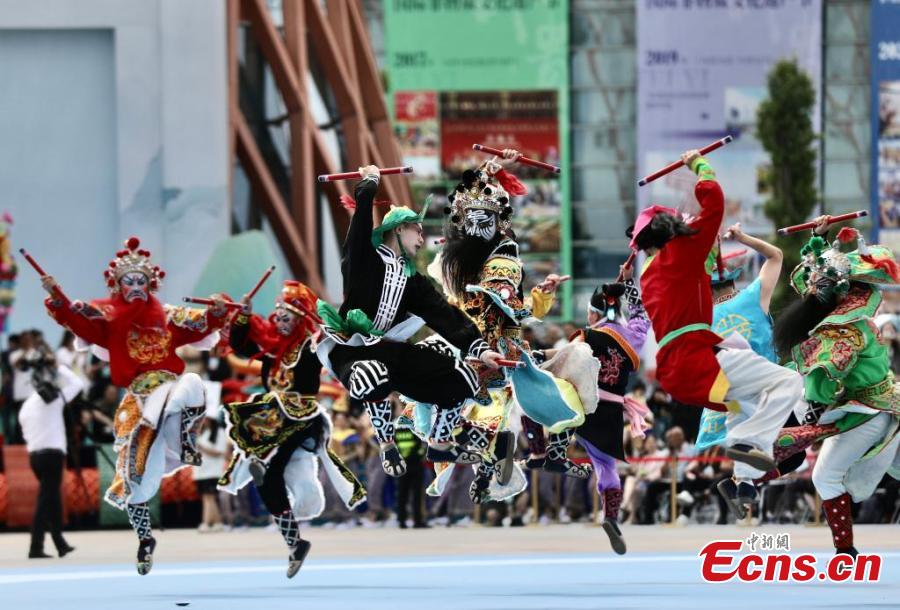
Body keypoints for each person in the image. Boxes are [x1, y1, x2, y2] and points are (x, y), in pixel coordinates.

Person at [41, 236, 229, 575]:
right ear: (118, 285)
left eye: (141, 280)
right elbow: (77, 320)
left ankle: (186, 439)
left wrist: (217, 309)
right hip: (137, 402)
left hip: (170, 390)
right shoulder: (110, 321)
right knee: (133, 478)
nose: (136, 286)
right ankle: (144, 540)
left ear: (150, 283)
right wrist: (57, 296)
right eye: (129, 281)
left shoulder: (169, 316)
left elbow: (203, 321)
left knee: (192, 384)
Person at [316, 165, 503, 480]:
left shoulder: (412, 279)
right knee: (370, 375)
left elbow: (442, 313)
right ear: (398, 229)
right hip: (354, 351)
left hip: (393, 352)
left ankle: (440, 443)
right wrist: (369, 183)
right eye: (417, 230)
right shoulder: (365, 259)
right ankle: (387, 443)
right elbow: (360, 226)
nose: (422, 237)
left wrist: (480, 349)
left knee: (464, 376)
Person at [629, 150, 806, 480]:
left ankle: (743, 478)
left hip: (676, 371)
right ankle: (748, 442)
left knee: (746, 399)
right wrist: (699, 165)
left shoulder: (649, 276)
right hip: (697, 358)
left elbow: (703, 266)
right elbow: (714, 206)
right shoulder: (680, 253)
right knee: (789, 382)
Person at [438, 149, 593, 503]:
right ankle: (516, 460)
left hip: (488, 347)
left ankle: (525, 458)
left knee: (525, 399)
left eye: (485, 217)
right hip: (485, 347)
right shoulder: (478, 257)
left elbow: (514, 308)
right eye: (472, 217)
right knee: (516, 400)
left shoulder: (496, 256)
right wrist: (494, 168)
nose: (478, 223)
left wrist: (540, 296)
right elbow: (511, 310)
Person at [220, 280, 365, 578]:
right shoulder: (271, 348)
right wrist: (243, 316)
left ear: (299, 319)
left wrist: (332, 334)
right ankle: (295, 543)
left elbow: (339, 353)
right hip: (272, 416)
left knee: (268, 465)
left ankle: (261, 459)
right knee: (267, 481)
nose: (280, 322)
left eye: (287, 317)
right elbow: (241, 346)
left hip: (301, 418)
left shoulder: (311, 347)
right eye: (278, 317)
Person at [771, 222, 900, 557]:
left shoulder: (844, 333)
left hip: (869, 411)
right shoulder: (838, 319)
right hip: (861, 405)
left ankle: (846, 551)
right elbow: (820, 271)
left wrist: (805, 422)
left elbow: (823, 387)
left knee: (826, 475)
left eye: (817, 289)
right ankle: (845, 549)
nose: (810, 292)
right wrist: (819, 238)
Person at [690, 223, 786, 517]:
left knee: (746, 430)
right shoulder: (753, 297)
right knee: (789, 447)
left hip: (726, 391)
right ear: (733, 284)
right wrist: (743, 237)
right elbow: (776, 256)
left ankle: (742, 482)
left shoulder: (701, 318)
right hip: (764, 385)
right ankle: (744, 482)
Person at [564, 263, 651, 553]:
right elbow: (642, 315)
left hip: (584, 409)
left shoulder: (585, 337)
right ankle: (611, 515)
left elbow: (565, 366)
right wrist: (629, 284)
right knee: (606, 466)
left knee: (552, 418)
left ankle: (545, 452)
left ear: (593, 314)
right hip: (612, 412)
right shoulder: (631, 337)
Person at [19, 358, 84, 558]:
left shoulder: (26, 406)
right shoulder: (53, 401)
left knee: (53, 499)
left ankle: (59, 543)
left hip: (35, 457)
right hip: (52, 456)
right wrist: (59, 366)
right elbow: (78, 384)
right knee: (45, 501)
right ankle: (35, 546)